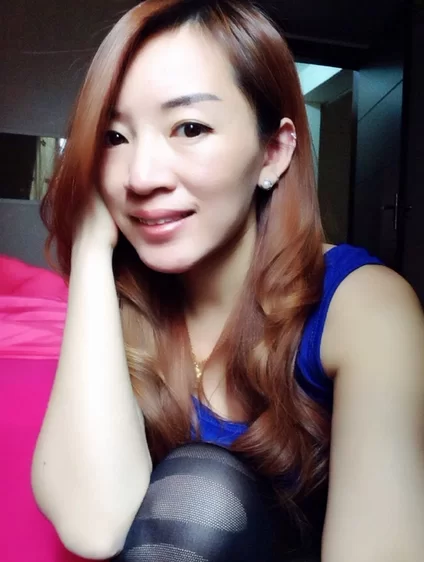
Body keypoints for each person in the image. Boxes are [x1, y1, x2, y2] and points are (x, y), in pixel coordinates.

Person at [31, 0, 424, 560]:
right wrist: (92, 246)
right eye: (115, 138)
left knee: (203, 492)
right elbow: (92, 527)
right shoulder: (115, 301)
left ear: (273, 153)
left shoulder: (363, 308)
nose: (141, 176)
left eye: (190, 128)